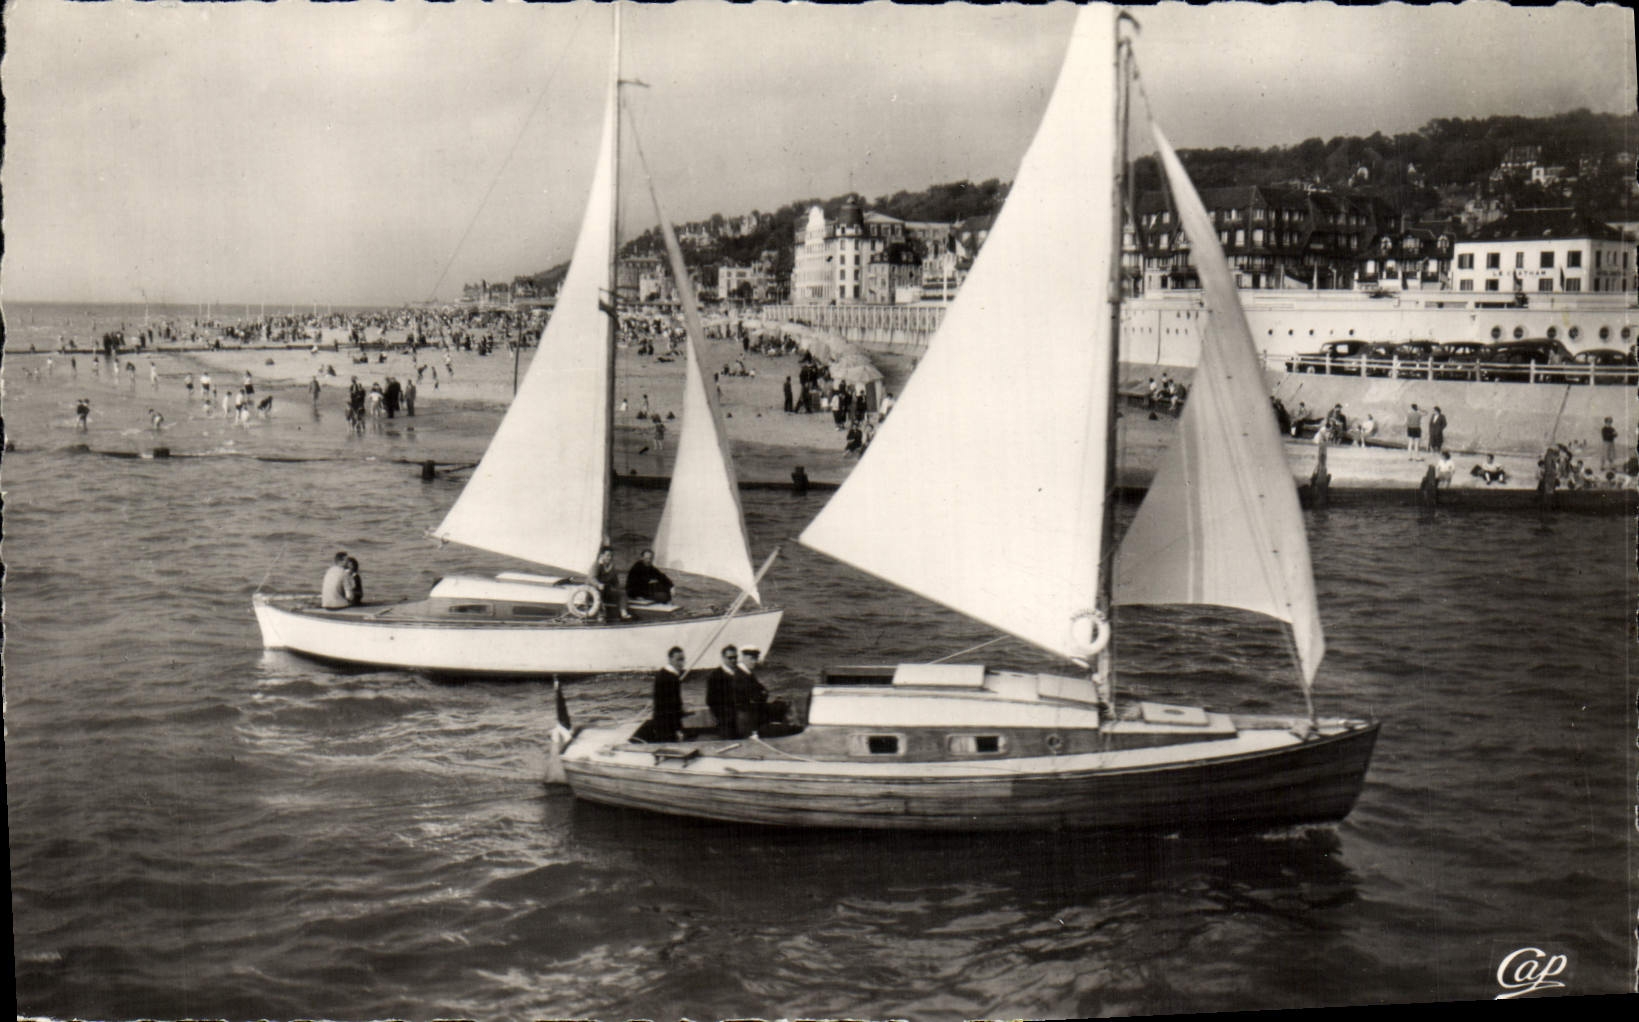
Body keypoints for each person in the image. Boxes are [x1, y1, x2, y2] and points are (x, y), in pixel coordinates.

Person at [634, 646, 689, 743]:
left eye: (683, 659)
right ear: (670, 659)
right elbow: (670, 706)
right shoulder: (669, 677)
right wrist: (677, 729)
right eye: (679, 659)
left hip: (662, 721)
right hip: (667, 724)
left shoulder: (664, 674)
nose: (682, 663)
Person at [706, 645, 742, 738]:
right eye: (730, 658)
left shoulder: (740, 673)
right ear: (723, 658)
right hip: (725, 720)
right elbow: (710, 701)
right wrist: (722, 718)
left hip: (741, 718)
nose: (733, 660)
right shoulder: (715, 676)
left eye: (735, 657)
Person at [592, 547, 632, 621]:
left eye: (611, 556)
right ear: (602, 555)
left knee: (622, 593)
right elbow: (592, 578)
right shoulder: (596, 565)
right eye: (607, 555)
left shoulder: (612, 567)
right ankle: (601, 614)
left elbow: (615, 581)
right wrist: (598, 584)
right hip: (594, 589)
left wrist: (618, 588)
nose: (609, 558)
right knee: (598, 593)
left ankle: (623, 611)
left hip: (606, 589)